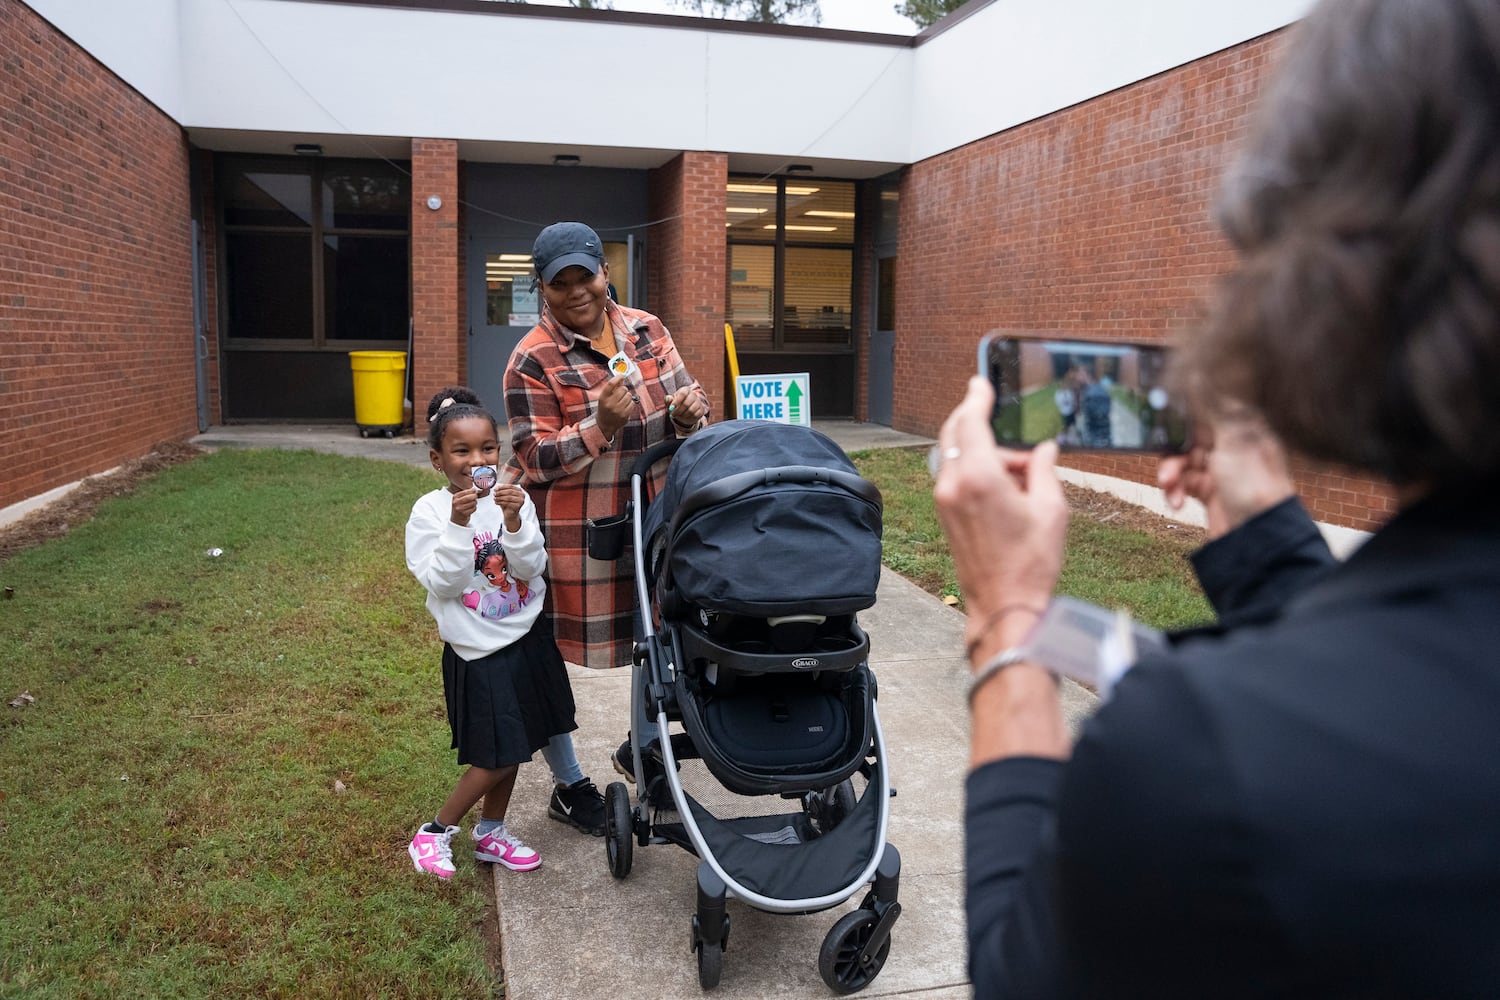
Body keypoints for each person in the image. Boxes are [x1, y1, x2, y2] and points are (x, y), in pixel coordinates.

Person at [934, 0, 1500, 994]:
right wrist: (1273, 539)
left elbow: (1022, 973)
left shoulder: (1198, 753)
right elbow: (1392, 700)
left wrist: (1010, 615)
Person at [502, 222, 710, 775]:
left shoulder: (647, 328)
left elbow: (689, 398)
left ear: (606, 272)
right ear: (540, 289)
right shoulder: (532, 359)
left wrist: (692, 412)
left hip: (659, 514)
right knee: (545, 651)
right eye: (560, 282)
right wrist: (601, 426)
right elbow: (533, 457)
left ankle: (644, 751)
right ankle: (569, 780)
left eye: (585, 276)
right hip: (579, 533)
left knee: (659, 636)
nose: (577, 292)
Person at [405, 388, 604, 879]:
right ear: (437, 459)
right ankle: (435, 831)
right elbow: (445, 583)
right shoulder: (429, 514)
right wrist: (458, 525)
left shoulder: (511, 499)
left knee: (520, 741)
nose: (477, 460)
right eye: (462, 451)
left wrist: (515, 523)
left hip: (527, 639)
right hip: (479, 653)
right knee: (498, 752)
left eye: (487, 448)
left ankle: (491, 831)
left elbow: (533, 566)